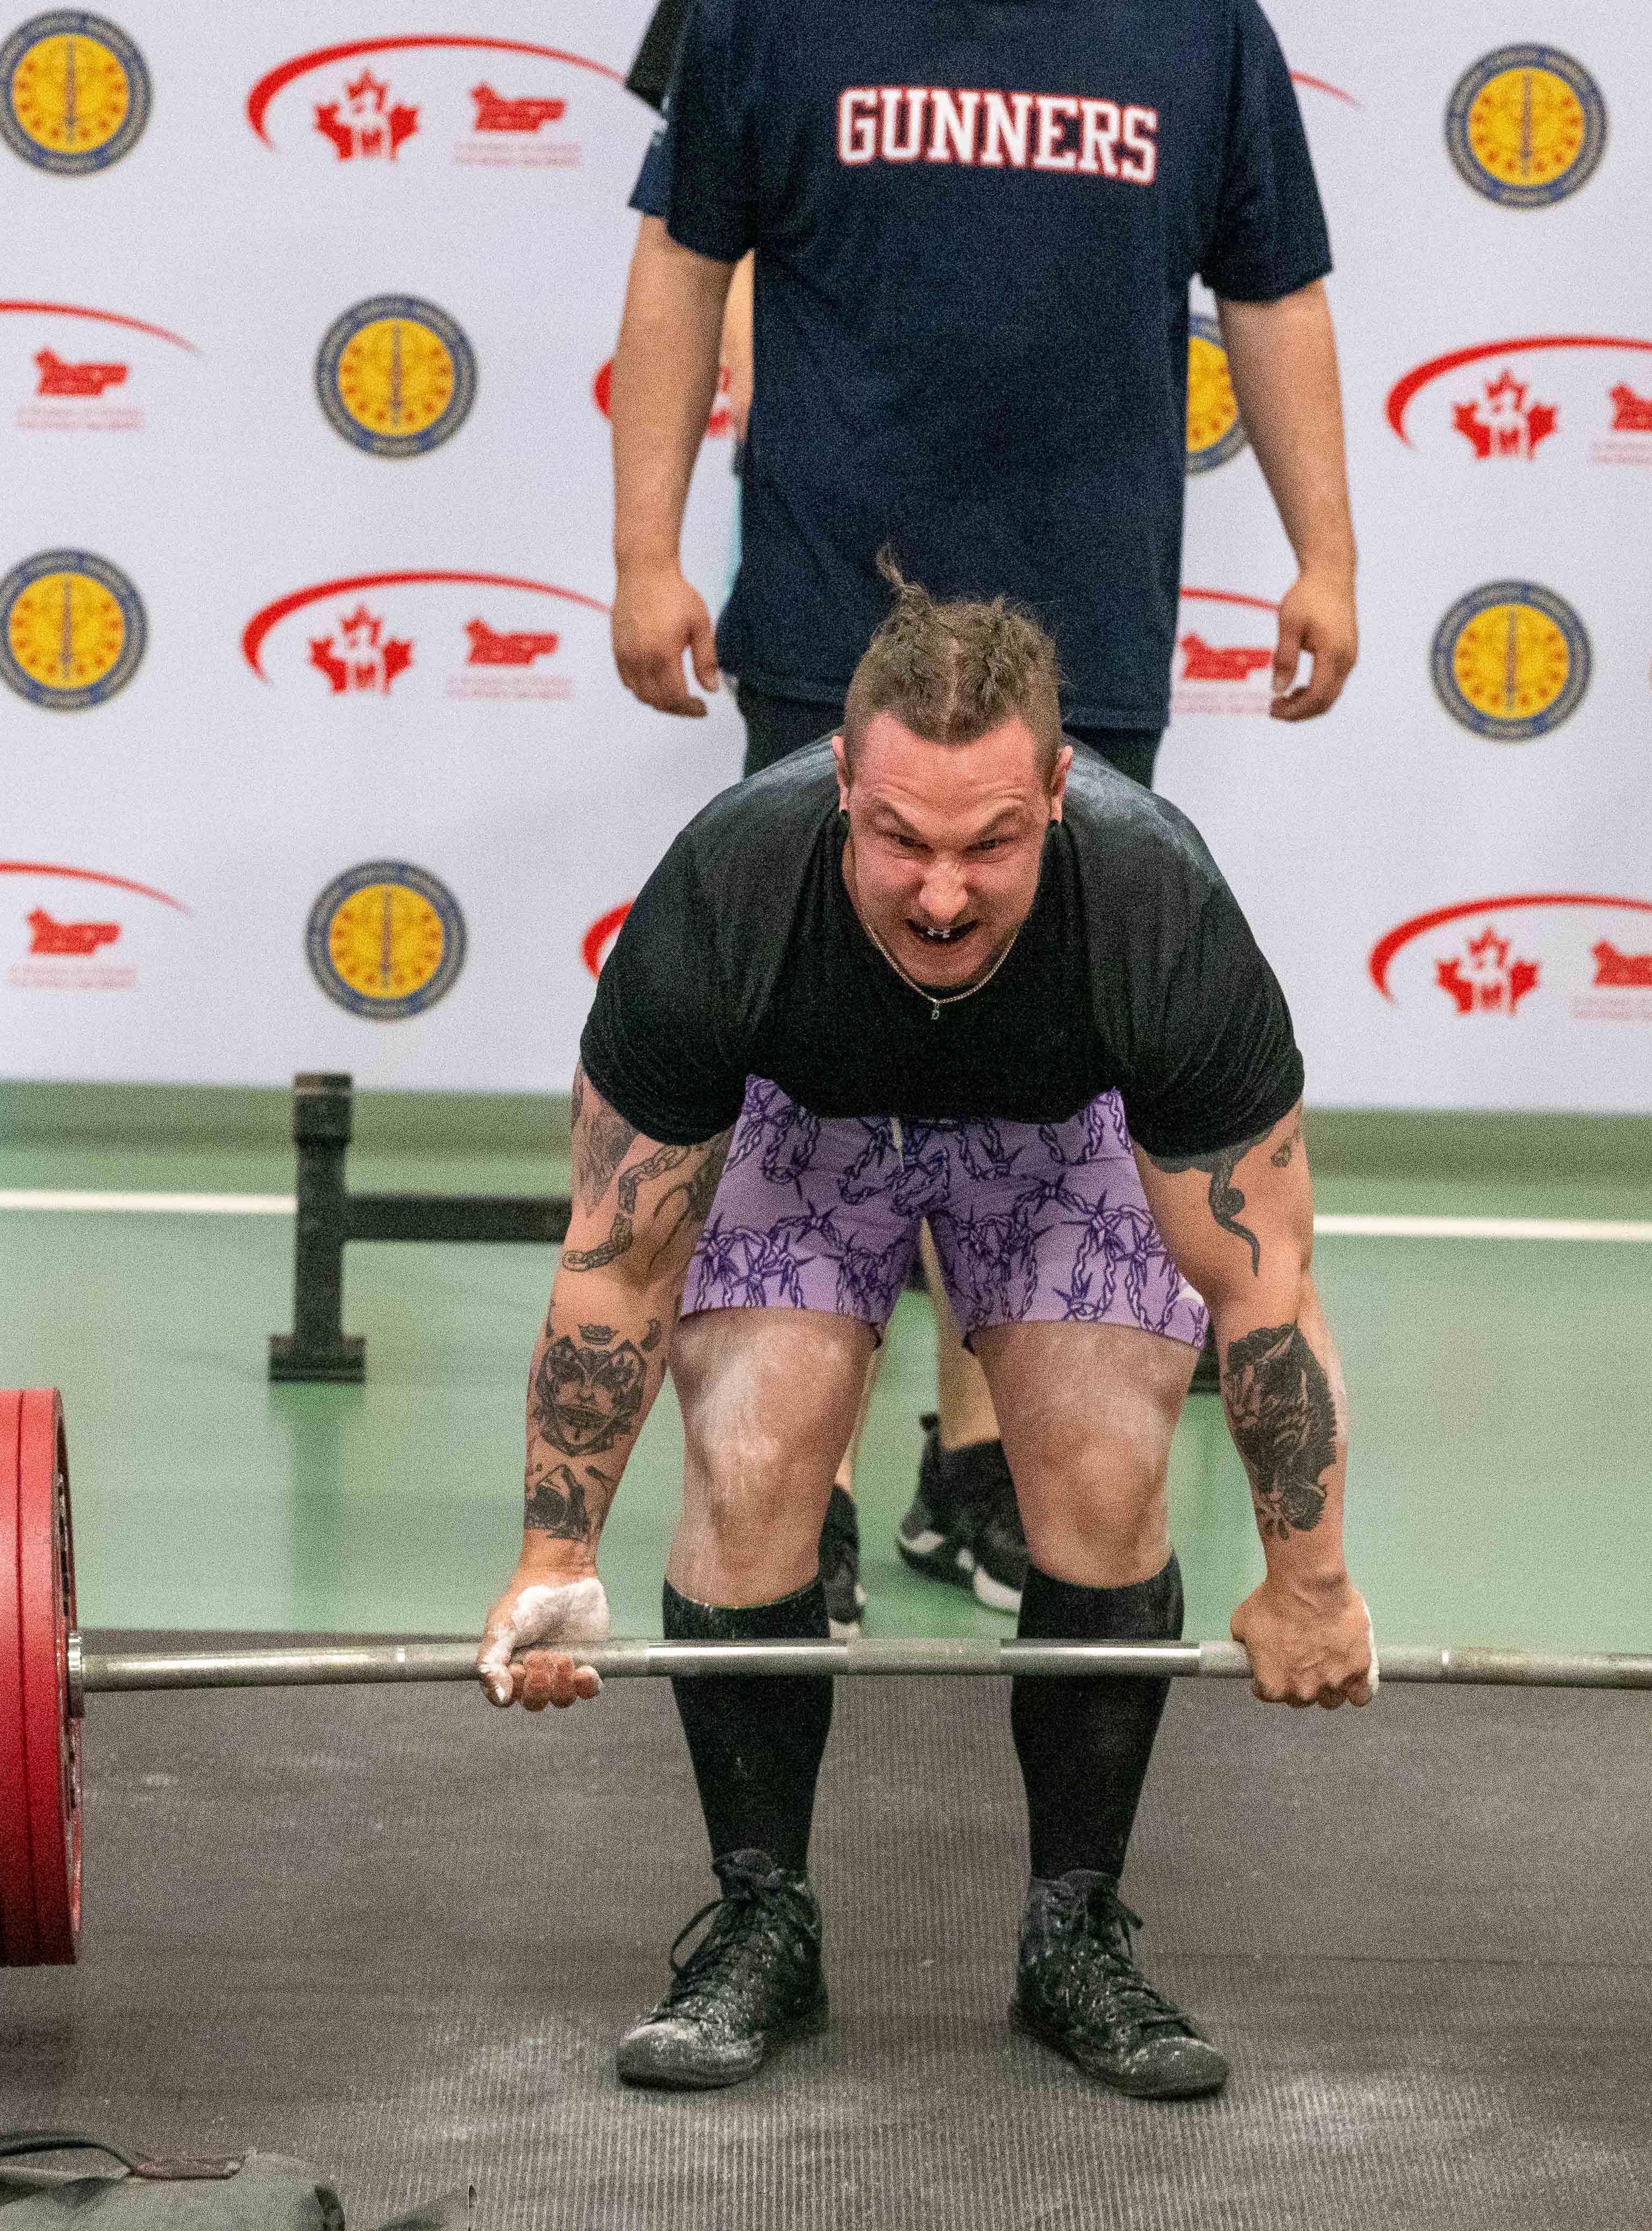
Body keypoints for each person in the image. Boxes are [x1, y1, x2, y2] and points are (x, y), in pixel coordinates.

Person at [476, 580, 1374, 2099]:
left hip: (1058, 1128)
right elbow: (616, 1270)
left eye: (989, 846)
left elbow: (1263, 1285)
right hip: (805, 1121)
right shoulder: (729, 891)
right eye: (900, 840)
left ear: (1058, 793)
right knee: (753, 1455)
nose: (942, 896)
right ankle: (761, 1919)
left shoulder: (1153, 909)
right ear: (840, 781)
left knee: (1103, 1471)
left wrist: (1311, 1581)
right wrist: (554, 1556)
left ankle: (1073, 1929)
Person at [607, 0, 1364, 1613]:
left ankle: (975, 1467)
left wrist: (1328, 553)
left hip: (1084, 623)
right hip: (830, 617)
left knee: (1034, 1068)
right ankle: (791, 1492)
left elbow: (1272, 291)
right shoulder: (767, 15)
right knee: (809, 1071)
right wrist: (643, 551)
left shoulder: (1198, 32)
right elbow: (681, 260)